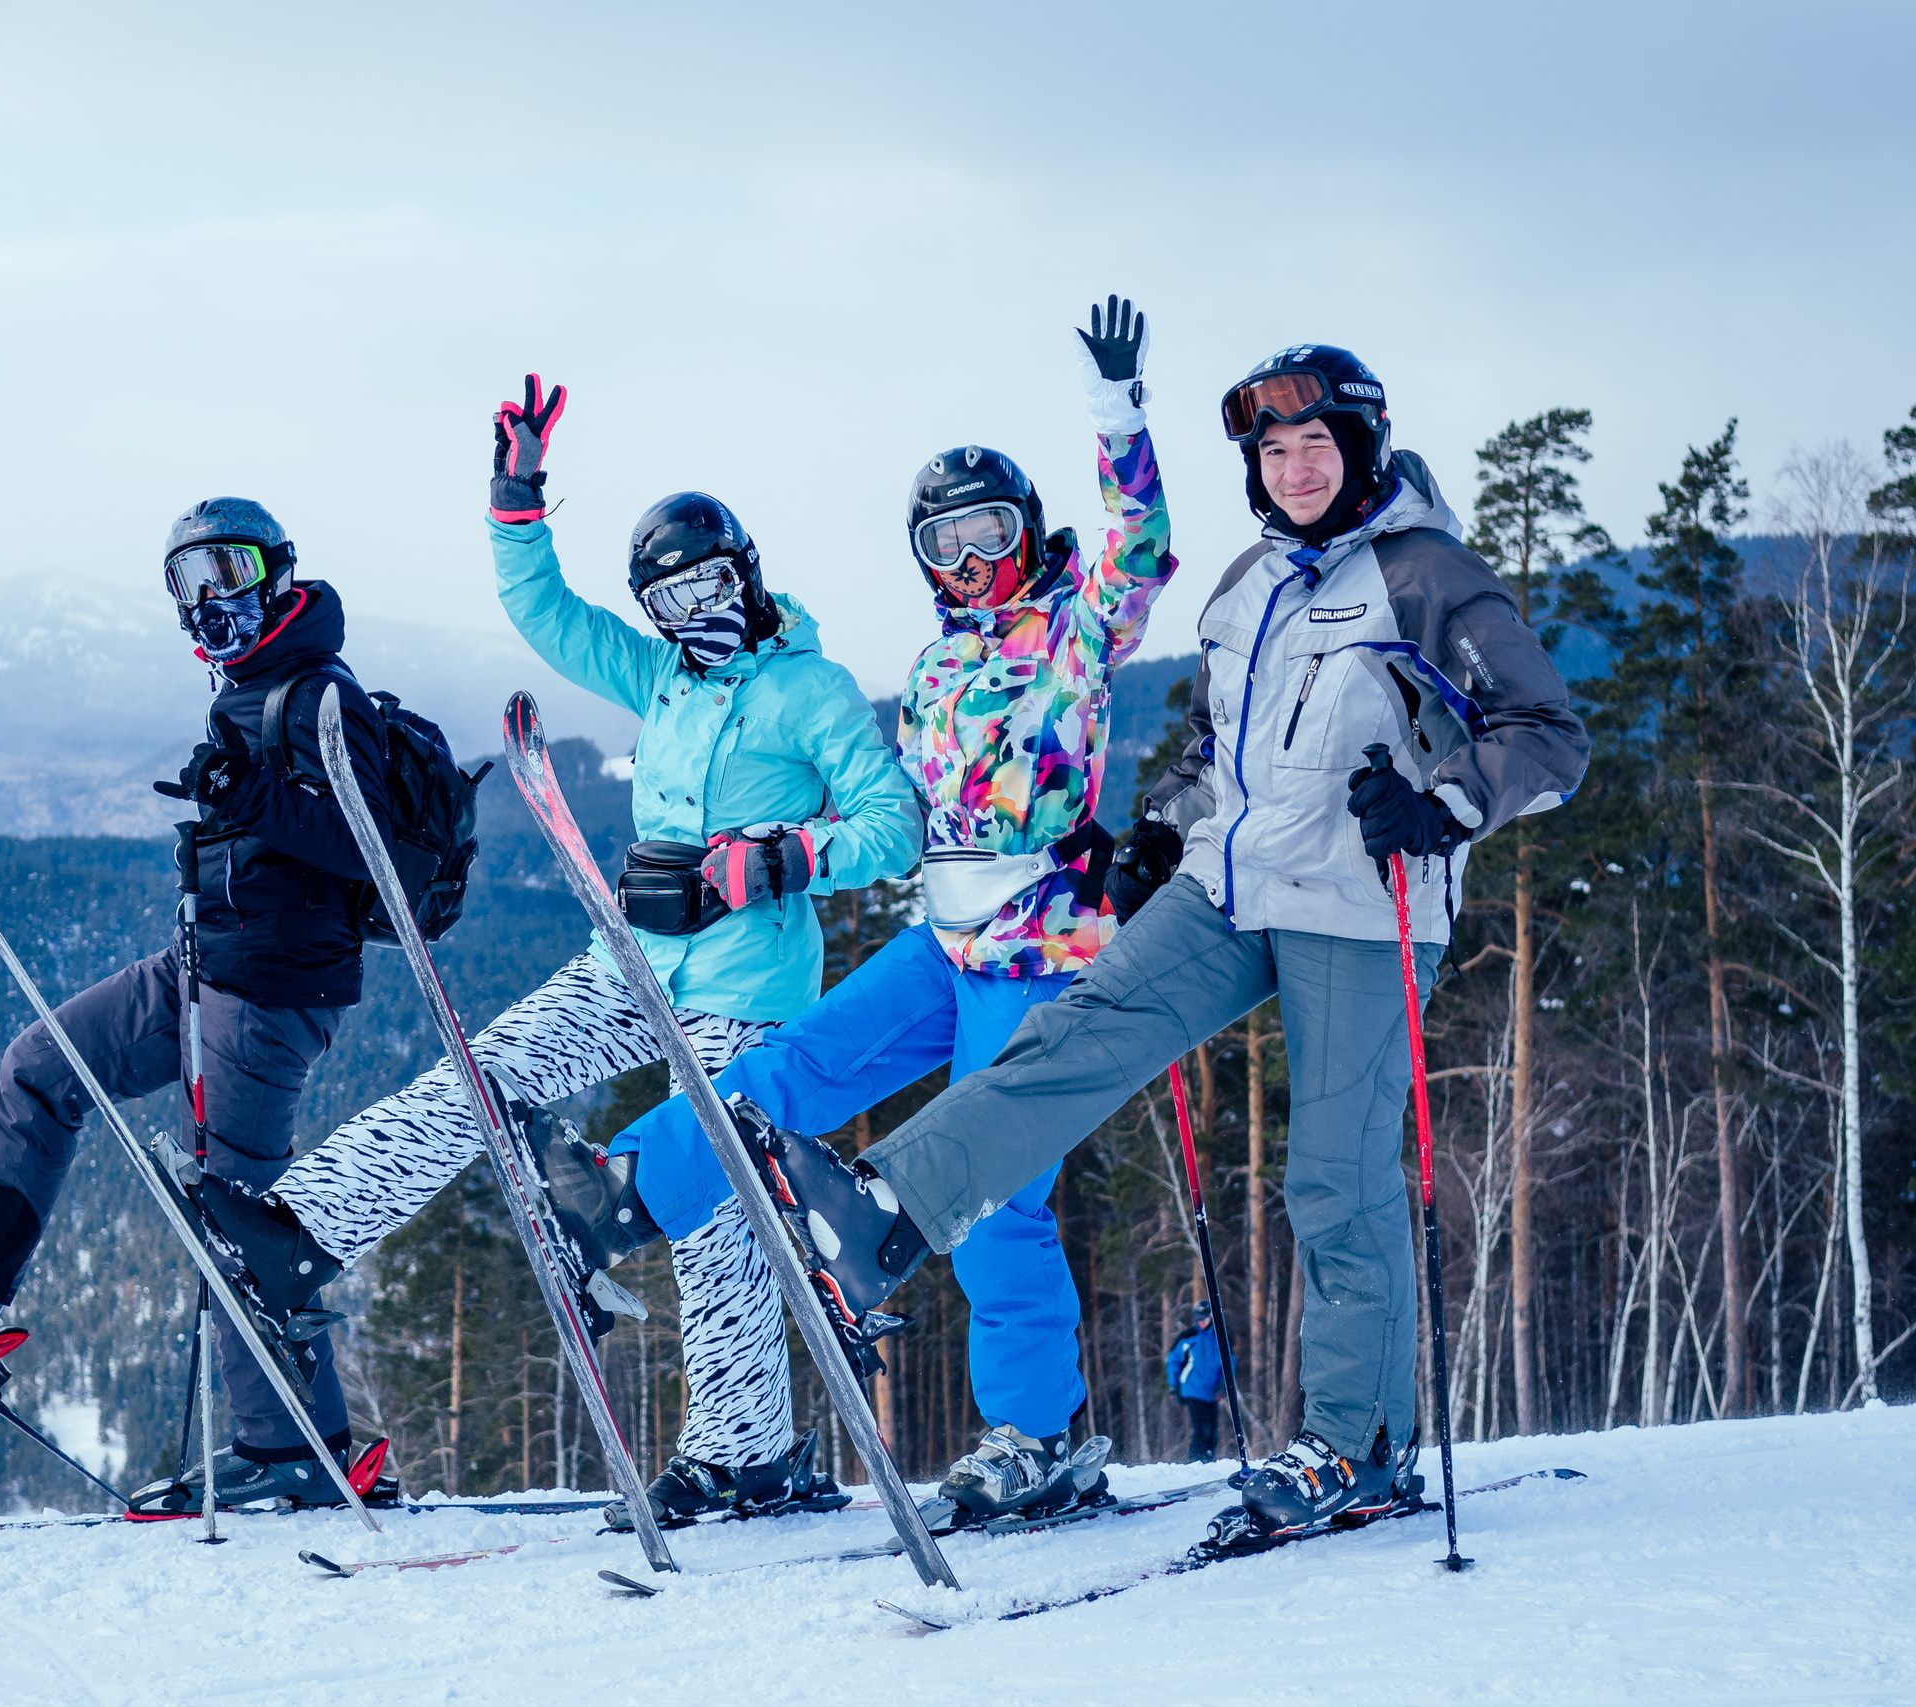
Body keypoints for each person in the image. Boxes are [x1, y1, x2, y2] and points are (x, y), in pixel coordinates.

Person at [621, 345, 1589, 1544]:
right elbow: (1209, 747)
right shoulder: (1248, 586)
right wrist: (1158, 831)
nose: (1291, 469)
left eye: (1313, 447)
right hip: (1226, 887)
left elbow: (1544, 734)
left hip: (1356, 900)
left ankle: (1357, 1443)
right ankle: (881, 1217)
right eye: (1272, 452)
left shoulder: (1430, 574)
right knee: (1072, 1037)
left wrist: (1442, 802)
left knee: (1333, 1174)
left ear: (1362, 449)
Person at [189, 375, 923, 1522]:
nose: (693, 610)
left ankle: (745, 1453)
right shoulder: (662, 677)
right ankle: (302, 1231)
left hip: (746, 987)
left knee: (714, 1203)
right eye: (669, 597)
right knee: (480, 1078)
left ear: (748, 574)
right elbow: (548, 614)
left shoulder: (807, 691)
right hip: (632, 963)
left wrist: (767, 860)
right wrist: (517, 497)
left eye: (710, 584)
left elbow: (893, 823)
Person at [570, 296, 1178, 1524]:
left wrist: (1118, 413)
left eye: (988, 532)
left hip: (1037, 952)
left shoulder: (1073, 628)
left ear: (1025, 532)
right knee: (789, 1073)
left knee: (998, 1181)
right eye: (943, 543)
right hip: (941, 937)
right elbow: (903, 810)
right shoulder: (941, 661)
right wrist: (773, 844)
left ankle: (1037, 1435)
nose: (967, 562)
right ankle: (619, 1194)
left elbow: (1142, 545)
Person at [0, 496, 399, 1506]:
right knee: (43, 1065)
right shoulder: (250, 684)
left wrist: (253, 799)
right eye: (185, 580)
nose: (205, 599)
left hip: (266, 997)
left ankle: (295, 1451)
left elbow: (373, 850)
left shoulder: (316, 695)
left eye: (223, 571)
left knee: (237, 1222)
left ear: (273, 571)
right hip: (197, 972)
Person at [1167, 1301, 1224, 1463]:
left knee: (1212, 1432)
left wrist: (1223, 1386)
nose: (1201, 1322)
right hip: (1192, 1390)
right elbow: (1172, 1362)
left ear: (1211, 1318)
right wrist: (1173, 1387)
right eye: (1198, 1319)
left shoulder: (1219, 1338)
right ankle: (1195, 1463)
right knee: (1201, 1429)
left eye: (1205, 1319)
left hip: (1213, 1392)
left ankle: (1209, 1463)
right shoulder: (1186, 1338)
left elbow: (1229, 1363)